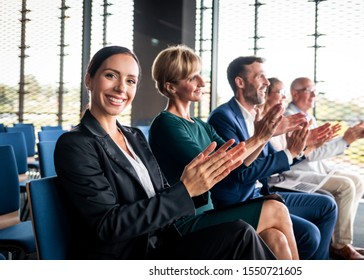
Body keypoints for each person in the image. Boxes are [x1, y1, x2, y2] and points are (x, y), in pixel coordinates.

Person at [53, 45, 277, 260]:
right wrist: (187, 189)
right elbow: (109, 225)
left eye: (130, 81)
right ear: (89, 79)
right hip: (130, 254)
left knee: (241, 233)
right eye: (111, 75)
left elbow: (161, 192)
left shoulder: (133, 136)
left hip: (160, 240)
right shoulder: (76, 144)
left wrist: (193, 185)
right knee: (240, 236)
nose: (121, 88)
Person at [149, 45, 299, 260]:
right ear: (171, 87)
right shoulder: (166, 124)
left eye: (200, 75)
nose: (202, 82)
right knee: (276, 209)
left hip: (208, 212)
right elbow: (217, 164)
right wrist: (260, 137)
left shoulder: (200, 125)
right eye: (192, 78)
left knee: (276, 237)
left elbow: (238, 160)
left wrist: (264, 136)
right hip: (183, 222)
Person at [207, 56, 338, 260]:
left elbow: (267, 162)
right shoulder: (223, 117)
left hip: (261, 193)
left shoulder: (257, 116)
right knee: (310, 234)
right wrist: (286, 149)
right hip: (240, 200)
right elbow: (243, 172)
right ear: (240, 83)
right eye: (260, 76)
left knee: (327, 206)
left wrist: (301, 148)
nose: (267, 83)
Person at [284, 76, 364, 260]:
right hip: (295, 174)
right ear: (294, 93)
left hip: (315, 169)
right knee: (346, 185)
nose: (314, 94)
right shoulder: (291, 117)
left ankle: (339, 239)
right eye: (309, 90)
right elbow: (310, 152)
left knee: (359, 182)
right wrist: (344, 141)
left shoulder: (308, 116)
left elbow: (319, 146)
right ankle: (340, 245)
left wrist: (347, 138)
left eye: (315, 90)